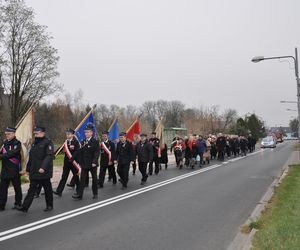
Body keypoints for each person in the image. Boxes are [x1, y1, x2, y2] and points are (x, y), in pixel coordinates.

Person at [19, 126, 54, 212]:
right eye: (35, 133)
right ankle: (25, 207)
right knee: (32, 189)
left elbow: (49, 156)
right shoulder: (35, 143)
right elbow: (31, 157)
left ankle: (49, 205)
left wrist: (43, 167)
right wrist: (27, 169)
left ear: (42, 133)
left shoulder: (48, 143)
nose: (35, 135)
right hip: (34, 170)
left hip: (44, 171)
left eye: (37, 133)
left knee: (47, 188)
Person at [73, 124, 100, 200]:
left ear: (92, 133)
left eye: (88, 132)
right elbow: (81, 152)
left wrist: (94, 161)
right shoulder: (83, 141)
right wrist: (79, 162)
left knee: (94, 179)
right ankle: (80, 195)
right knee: (82, 179)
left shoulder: (95, 141)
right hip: (84, 164)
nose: (86, 134)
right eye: (85, 132)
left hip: (92, 164)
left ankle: (95, 193)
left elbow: (97, 152)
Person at [0, 127, 22, 211]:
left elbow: (11, 153)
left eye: (8, 134)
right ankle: (2, 205)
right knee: (2, 189)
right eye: (6, 134)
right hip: (5, 170)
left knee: (17, 188)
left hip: (14, 170)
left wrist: (1, 156)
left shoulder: (17, 143)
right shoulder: (4, 143)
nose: (7, 135)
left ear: (13, 134)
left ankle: (18, 203)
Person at [53, 129, 81, 197]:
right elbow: (60, 149)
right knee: (64, 177)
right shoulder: (65, 142)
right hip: (66, 163)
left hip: (73, 162)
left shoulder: (76, 142)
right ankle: (59, 191)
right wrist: (54, 154)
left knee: (76, 177)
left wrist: (72, 158)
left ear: (72, 135)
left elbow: (77, 151)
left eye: (69, 134)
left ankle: (79, 191)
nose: (67, 135)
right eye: (67, 134)